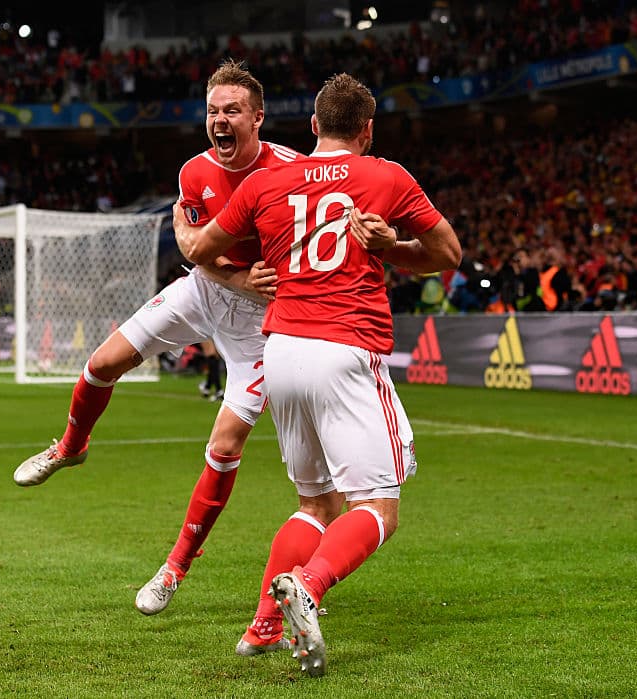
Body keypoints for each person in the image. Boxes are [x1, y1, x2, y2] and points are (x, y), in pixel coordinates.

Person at [178, 73, 462, 677]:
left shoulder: (265, 182)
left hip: (279, 354)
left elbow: (201, 250)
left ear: (312, 128)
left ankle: (264, 624)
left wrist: (186, 232)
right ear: (366, 129)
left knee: (316, 501)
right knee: (378, 507)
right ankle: (307, 584)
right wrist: (390, 247)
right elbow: (447, 255)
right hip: (345, 348)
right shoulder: (386, 176)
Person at [11, 60, 298, 651]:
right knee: (100, 364)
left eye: (232, 111)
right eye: (213, 111)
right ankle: (71, 446)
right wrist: (237, 277)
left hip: (263, 329)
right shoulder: (195, 172)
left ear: (258, 118)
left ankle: (172, 570)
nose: (219, 120)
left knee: (223, 447)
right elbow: (196, 251)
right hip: (207, 291)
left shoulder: (292, 170)